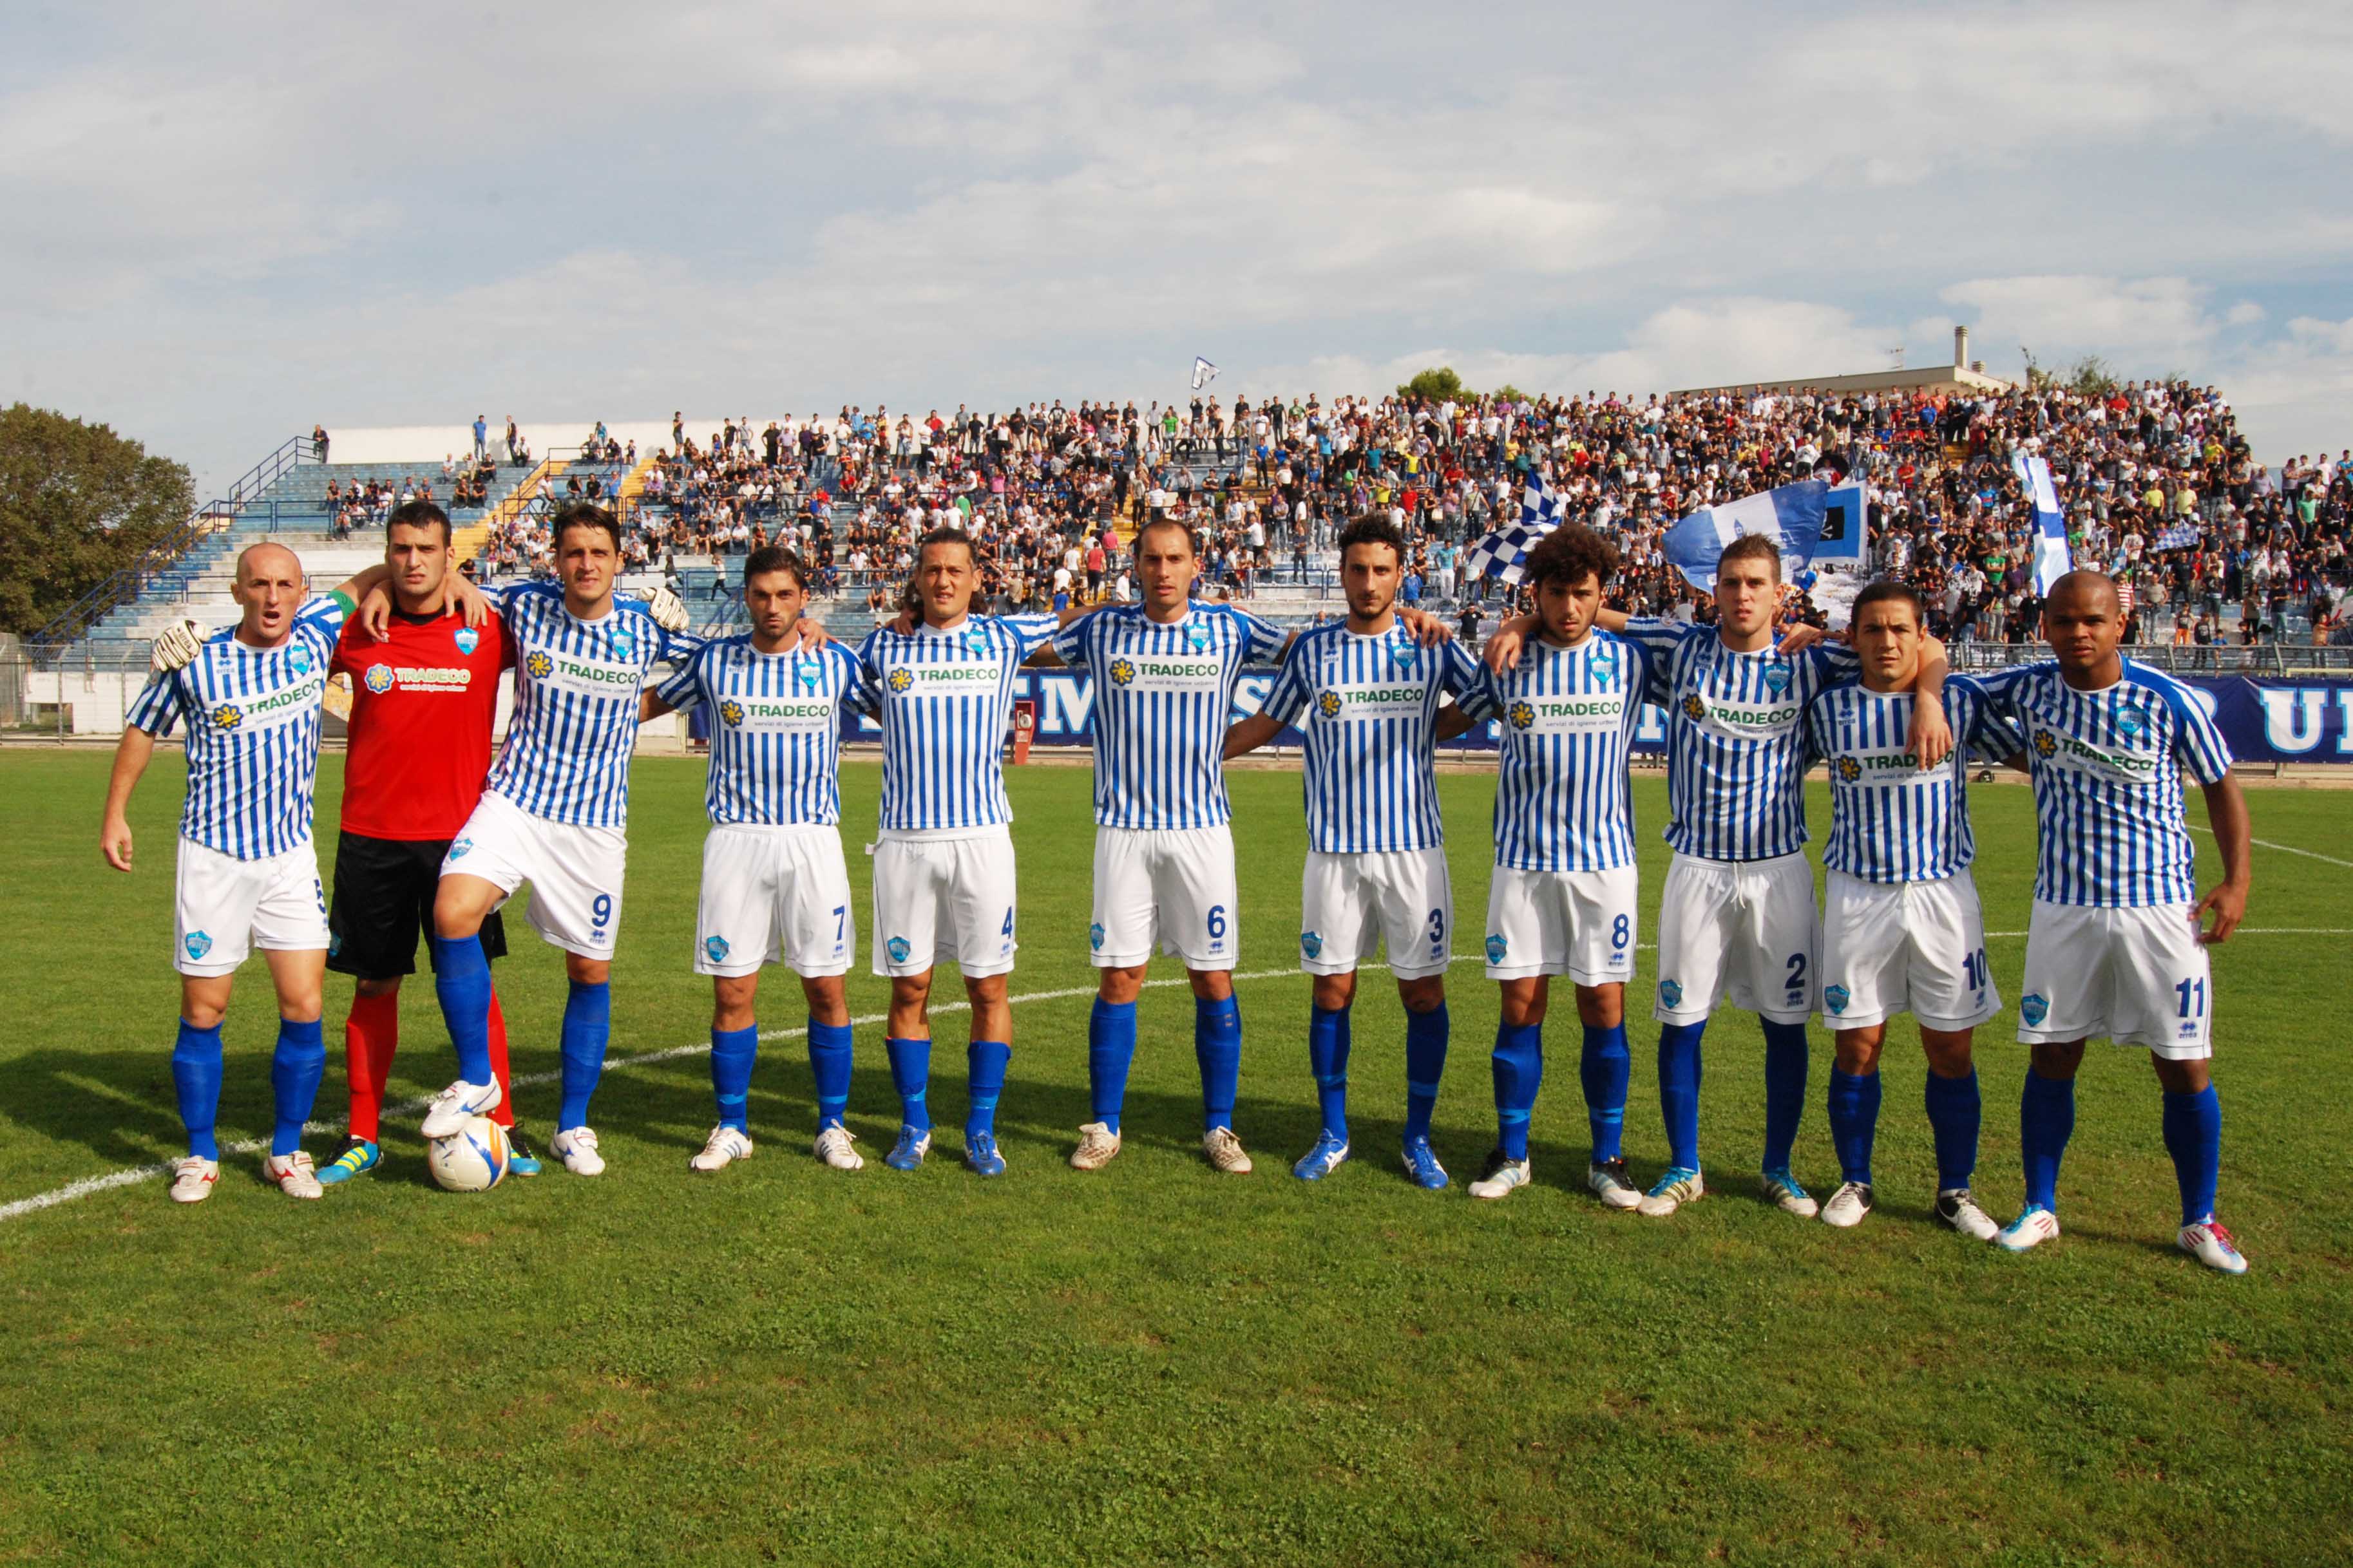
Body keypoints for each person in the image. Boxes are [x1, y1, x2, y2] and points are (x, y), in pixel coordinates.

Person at [1483, 534, 1952, 1220]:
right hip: (1695, 868)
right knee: (1681, 1022)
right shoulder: (1683, 648)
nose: (1741, 595)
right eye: (1730, 582)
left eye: (1755, 583)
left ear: (1778, 592)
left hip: (1778, 868)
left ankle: (1778, 1167)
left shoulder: (1811, 657)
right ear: (1714, 589)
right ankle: (1682, 1165)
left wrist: (1932, 697)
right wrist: (1520, 619)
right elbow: (1589, 614)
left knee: (1783, 1025)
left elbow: (1921, 647)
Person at [395, 504, 702, 1176]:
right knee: (451, 912)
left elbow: (724, 664)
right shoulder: (522, 606)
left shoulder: (644, 627)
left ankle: (573, 1125)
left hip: (592, 824)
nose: (585, 564)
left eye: (599, 552)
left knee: (588, 970)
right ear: (555, 559)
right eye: (573, 553)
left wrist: (636, 703)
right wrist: (458, 581)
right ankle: (477, 1076)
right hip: (515, 800)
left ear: (620, 561)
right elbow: (435, 582)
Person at [102, 543, 414, 1202]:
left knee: (304, 1004)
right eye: (258, 584)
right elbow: (141, 729)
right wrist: (116, 815)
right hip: (212, 860)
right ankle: (198, 1152)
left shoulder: (316, 633)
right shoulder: (196, 660)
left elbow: (378, 573)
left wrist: (387, 588)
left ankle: (285, 1147)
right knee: (204, 1007)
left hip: (288, 858)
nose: (272, 597)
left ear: (303, 591)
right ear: (238, 590)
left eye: (284, 584)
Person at [1973, 571, 2253, 1273]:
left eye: (2091, 620)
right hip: (2062, 906)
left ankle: (2198, 1219)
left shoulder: (2166, 699)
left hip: (2159, 910)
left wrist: (2236, 881)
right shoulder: (2029, 688)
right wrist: (2028, 754)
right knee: (2052, 1053)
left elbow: (2221, 786)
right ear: (2044, 624)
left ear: (2118, 623)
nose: (2077, 632)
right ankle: (2039, 1204)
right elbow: (1952, 689)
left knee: (2182, 1061)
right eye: (2063, 620)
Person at [1223, 513, 1483, 1188]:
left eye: (1381, 570)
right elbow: (1267, 719)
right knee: (1331, 990)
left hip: (1412, 852)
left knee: (1422, 993)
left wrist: (1435, 727)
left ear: (1401, 575)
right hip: (1332, 854)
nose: (1368, 583)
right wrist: (1195, 751)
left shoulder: (1429, 643)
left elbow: (1485, 691)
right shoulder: (1312, 651)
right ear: (1340, 574)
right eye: (1357, 569)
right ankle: (1333, 1130)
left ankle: (1418, 1137)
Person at [316, 500, 533, 1184]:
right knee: (374, 982)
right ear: (388, 552)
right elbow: (302, 614)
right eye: (399, 549)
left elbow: (561, 607)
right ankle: (362, 1134)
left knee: (471, 978)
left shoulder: (487, 626)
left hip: (460, 839)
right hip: (371, 835)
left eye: (426, 550)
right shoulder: (357, 629)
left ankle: (499, 1124)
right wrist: (370, 581)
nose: (412, 561)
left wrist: (470, 588)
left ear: (450, 556)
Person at [640, 546, 871, 1173]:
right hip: (735, 839)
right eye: (761, 594)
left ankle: (832, 1124)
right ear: (745, 596)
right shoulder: (715, 664)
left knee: (825, 987)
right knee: (732, 987)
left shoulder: (835, 662)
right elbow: (650, 703)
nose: (773, 606)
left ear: (804, 598)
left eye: (785, 595)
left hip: (811, 839)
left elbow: (897, 705)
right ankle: (733, 1124)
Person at [1802, 580, 2018, 1236]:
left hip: (1940, 894)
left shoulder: (1956, 700)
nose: (1887, 641)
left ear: (1920, 635)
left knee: (1950, 1048)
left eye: (1901, 629)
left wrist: (1930, 692)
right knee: (1856, 1045)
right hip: (1856, 893)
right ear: (1854, 638)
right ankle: (1854, 1178)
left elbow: (2035, 761)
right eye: (1872, 629)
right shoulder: (1828, 707)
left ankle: (1954, 1188)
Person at [1451, 525, 1653, 1206]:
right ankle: (1511, 1154)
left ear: (1602, 596)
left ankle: (1607, 1158)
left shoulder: (1630, 659)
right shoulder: (1511, 661)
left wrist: (1526, 612)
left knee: (1602, 1004)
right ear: (1536, 591)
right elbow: (1452, 717)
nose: (1569, 607)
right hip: (1522, 862)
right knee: (1519, 1005)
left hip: (1604, 863)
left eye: (1583, 595)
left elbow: (1683, 631)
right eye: (1555, 594)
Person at [855, 528, 1062, 1176]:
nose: (942, 580)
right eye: (931, 569)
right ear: (915, 579)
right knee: (909, 984)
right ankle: (914, 1122)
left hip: (981, 839)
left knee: (987, 984)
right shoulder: (882, 644)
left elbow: (1081, 619)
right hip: (904, 840)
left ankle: (980, 1126)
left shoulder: (1004, 638)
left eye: (955, 570)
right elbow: (824, 663)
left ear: (978, 579)